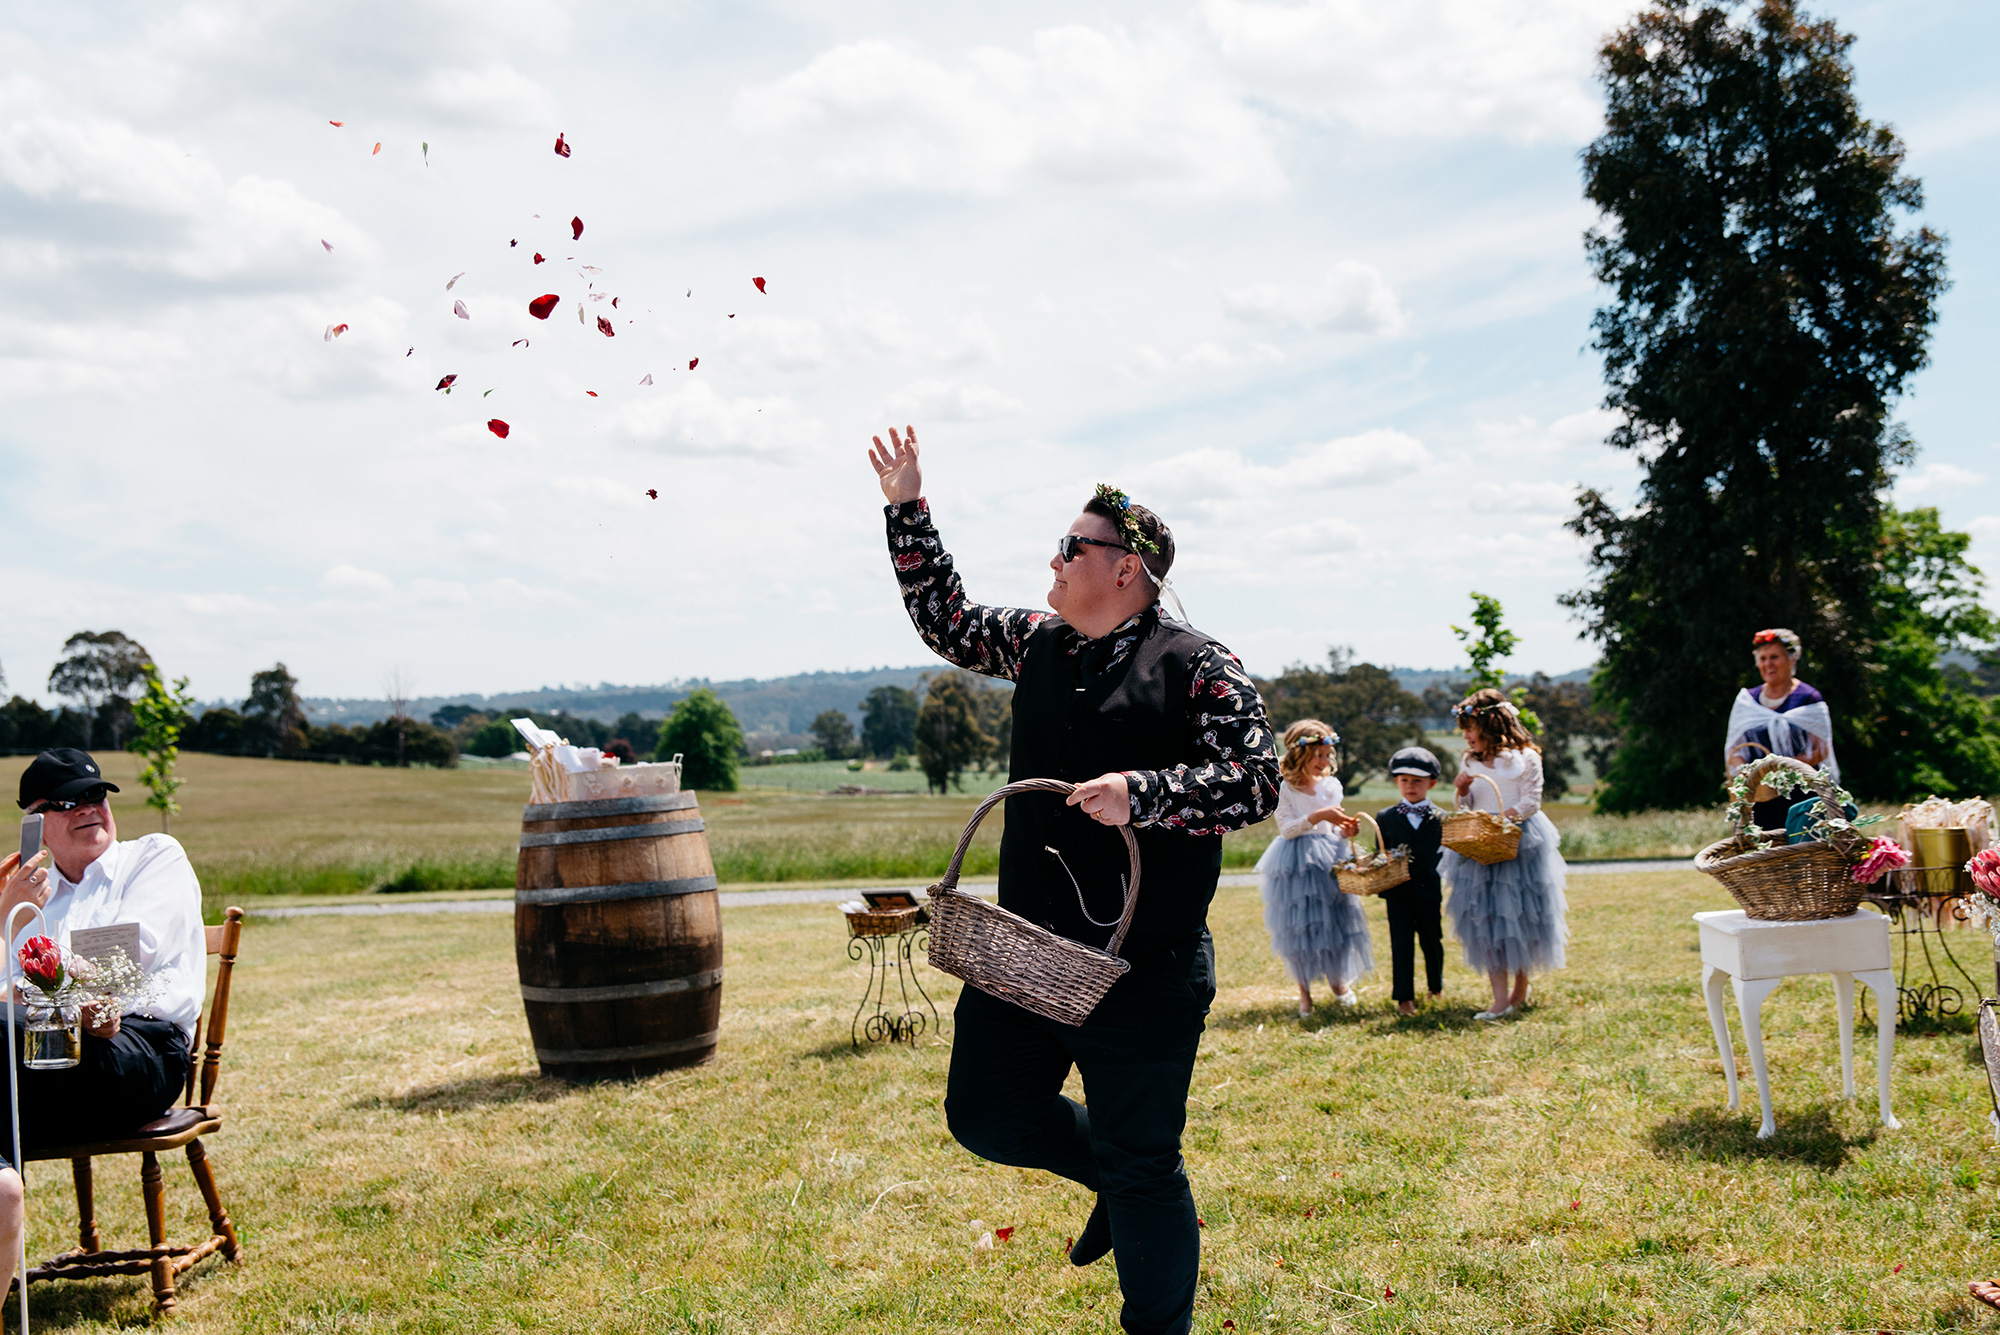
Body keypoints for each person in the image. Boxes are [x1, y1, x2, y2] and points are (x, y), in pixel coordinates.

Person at [869, 425, 1279, 1335]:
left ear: (1127, 568)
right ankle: (1114, 1178)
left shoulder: (1199, 664)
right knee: (984, 1115)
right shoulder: (1037, 641)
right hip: (1026, 955)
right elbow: (947, 617)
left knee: (1146, 1161)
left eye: (1071, 547)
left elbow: (1256, 781)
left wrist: (1146, 792)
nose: (1052, 561)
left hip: (1148, 966)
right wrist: (908, 507)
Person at [0, 749, 206, 1155]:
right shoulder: (25, 900)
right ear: (35, 825)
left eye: (96, 794)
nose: (86, 809)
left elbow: (120, 968)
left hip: (138, 1050)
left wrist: (24, 989)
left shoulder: (153, 857)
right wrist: (2, 917)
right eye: (66, 803)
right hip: (41, 1061)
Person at [1443, 690, 1569, 1020]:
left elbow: (1531, 801)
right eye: (1464, 731)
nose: (1467, 737)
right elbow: (1466, 808)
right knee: (1485, 920)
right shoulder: (1469, 761)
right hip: (1481, 846)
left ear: (1491, 724)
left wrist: (1503, 818)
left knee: (1519, 916)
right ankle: (1499, 997)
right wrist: (1463, 791)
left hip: (1519, 843)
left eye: (1471, 728)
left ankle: (1519, 989)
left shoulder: (1526, 757)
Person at [1255, 721, 1368, 1017]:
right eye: (1320, 755)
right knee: (1301, 929)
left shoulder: (1331, 786)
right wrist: (1318, 815)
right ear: (1300, 754)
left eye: (1329, 755)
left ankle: (1337, 982)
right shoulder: (1284, 787)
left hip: (1330, 857)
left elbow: (1334, 831)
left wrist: (1346, 832)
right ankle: (1304, 992)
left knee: (1336, 923)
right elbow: (1288, 829)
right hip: (1297, 864)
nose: (1326, 762)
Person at [1722, 627, 1838, 832]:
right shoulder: (1747, 701)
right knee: (1761, 850)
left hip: (1802, 793)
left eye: (1774, 657)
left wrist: (1781, 770)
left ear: (1792, 659)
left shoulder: (1808, 698)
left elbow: (1821, 749)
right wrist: (1747, 775)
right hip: (1759, 794)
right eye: (1763, 658)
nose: (1768, 664)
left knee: (1801, 849)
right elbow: (1736, 748)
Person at [1376, 746, 1447, 1017]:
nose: (1410, 786)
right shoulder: (1386, 817)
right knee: (1401, 943)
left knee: (1432, 939)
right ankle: (1404, 998)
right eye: (1404, 780)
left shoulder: (1441, 818)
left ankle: (1435, 987)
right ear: (1396, 782)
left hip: (1429, 889)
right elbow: (1380, 854)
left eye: (1417, 781)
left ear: (1431, 783)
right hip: (1398, 893)